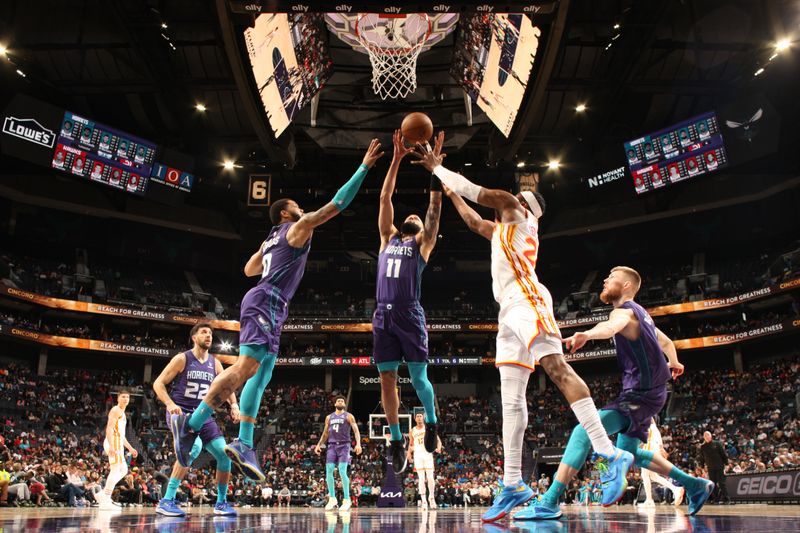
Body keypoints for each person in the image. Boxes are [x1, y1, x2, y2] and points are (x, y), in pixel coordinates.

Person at [415, 144, 632, 523]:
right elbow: (472, 220)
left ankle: (609, 452)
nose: (508, 199)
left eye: (515, 197)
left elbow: (479, 194)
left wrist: (438, 167)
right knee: (510, 397)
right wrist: (445, 187)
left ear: (524, 206)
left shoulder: (517, 214)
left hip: (528, 299)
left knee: (558, 369)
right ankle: (513, 482)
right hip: (508, 310)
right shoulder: (504, 230)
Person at [169, 140, 384, 482]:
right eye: (297, 206)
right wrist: (364, 167)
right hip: (266, 300)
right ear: (286, 213)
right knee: (245, 367)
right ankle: (191, 424)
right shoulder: (296, 228)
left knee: (261, 375)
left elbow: (249, 268)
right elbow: (336, 205)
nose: (302, 209)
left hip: (271, 302)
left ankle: (244, 442)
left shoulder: (273, 235)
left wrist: (269, 248)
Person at [514, 266, 714, 521]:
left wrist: (587, 333)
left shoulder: (624, 312)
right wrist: (673, 361)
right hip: (652, 394)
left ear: (628, 286)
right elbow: (666, 342)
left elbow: (610, 326)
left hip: (639, 395)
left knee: (582, 431)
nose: (606, 281)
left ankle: (549, 501)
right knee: (632, 453)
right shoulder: (643, 315)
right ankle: (695, 485)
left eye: (612, 278)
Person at [374, 130, 444, 473]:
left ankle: (431, 421)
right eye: (411, 215)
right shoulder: (387, 238)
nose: (414, 215)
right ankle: (398, 440)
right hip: (382, 318)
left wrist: (435, 171)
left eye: (418, 218)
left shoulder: (423, 244)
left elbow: (434, 207)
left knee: (418, 380)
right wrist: (397, 159)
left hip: (410, 315)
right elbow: (386, 197)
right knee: (388, 380)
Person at [153, 323, 239, 517]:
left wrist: (234, 405)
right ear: (194, 337)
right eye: (204, 332)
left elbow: (227, 386)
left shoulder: (215, 363)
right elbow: (158, 383)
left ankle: (221, 503)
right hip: (181, 413)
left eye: (210, 333)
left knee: (225, 456)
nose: (209, 336)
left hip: (204, 414)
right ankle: (167, 500)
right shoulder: (182, 358)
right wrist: (168, 403)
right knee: (192, 449)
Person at [314, 395, 363, 511]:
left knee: (342, 470)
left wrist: (358, 444)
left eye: (342, 401)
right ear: (335, 404)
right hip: (331, 446)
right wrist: (319, 444)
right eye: (338, 400)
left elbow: (356, 431)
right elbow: (325, 433)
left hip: (344, 445)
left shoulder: (349, 416)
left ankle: (346, 500)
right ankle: (332, 498)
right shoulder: (329, 417)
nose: (340, 402)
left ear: (344, 405)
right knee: (329, 470)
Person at [97, 390, 137, 510]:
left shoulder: (123, 413)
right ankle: (106, 499)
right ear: (118, 398)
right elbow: (109, 428)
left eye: (128, 397)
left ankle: (103, 494)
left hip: (118, 442)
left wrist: (130, 448)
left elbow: (121, 435)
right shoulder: (115, 410)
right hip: (113, 441)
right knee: (115, 470)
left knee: (124, 469)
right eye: (123, 397)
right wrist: (112, 445)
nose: (126, 399)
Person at [639, 418, 684, 507]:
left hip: (649, 449)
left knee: (645, 474)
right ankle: (675, 489)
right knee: (653, 476)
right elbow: (658, 442)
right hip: (654, 449)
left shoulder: (648, 427)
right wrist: (661, 448)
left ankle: (649, 500)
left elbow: (644, 441)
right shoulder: (654, 428)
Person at [407, 412, 442, 510]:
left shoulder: (428, 428)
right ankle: (424, 501)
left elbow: (438, 440)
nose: (419, 418)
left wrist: (439, 448)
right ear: (415, 419)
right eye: (417, 416)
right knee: (421, 478)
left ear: (423, 418)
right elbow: (411, 444)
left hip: (427, 454)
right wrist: (409, 453)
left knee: (430, 478)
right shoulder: (412, 430)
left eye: (420, 416)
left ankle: (431, 497)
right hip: (418, 455)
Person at [699, 431, 731, 504]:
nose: (707, 437)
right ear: (704, 437)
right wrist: (702, 466)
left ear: (711, 436)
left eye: (708, 435)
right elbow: (702, 458)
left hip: (719, 466)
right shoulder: (703, 447)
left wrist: (726, 464)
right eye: (705, 436)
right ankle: (716, 499)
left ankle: (727, 499)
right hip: (710, 468)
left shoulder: (717, 443)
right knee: (713, 484)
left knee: (721, 483)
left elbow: (723, 454)